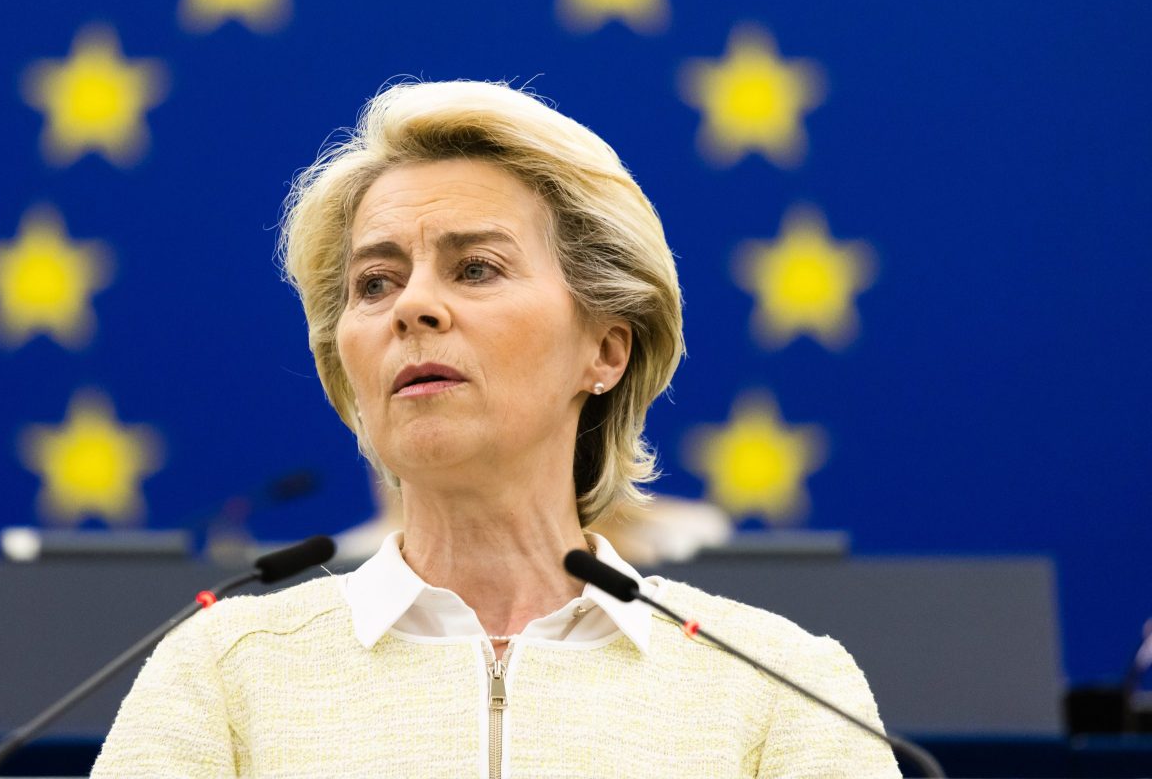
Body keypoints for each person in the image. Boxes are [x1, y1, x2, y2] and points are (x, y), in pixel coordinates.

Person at [91, 81, 899, 777]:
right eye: (376, 282)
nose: (412, 306)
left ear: (606, 348)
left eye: (475, 267)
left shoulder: (781, 689)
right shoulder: (226, 674)